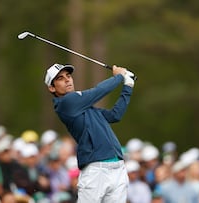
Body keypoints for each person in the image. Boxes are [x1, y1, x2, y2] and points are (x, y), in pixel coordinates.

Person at [44, 63, 135, 203]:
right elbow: (98, 91)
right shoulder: (66, 103)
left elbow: (115, 115)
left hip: (118, 167)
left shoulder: (86, 108)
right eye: (60, 78)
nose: (67, 80)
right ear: (52, 88)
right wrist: (119, 76)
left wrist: (127, 86)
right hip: (95, 170)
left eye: (68, 76)